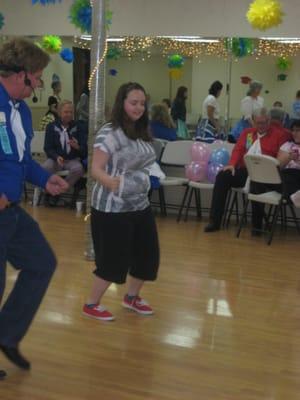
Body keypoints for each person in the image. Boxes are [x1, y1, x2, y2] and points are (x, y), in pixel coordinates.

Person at [0, 38, 68, 378]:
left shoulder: (22, 111)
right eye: (38, 76)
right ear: (21, 74)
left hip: (11, 211)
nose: (40, 83)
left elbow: (22, 161)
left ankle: (6, 333)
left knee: (42, 263)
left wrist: (45, 179)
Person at [83, 82, 160, 321]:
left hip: (139, 204)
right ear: (122, 104)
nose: (138, 108)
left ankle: (132, 298)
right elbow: (95, 168)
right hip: (111, 208)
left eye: (142, 103)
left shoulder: (142, 130)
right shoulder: (109, 132)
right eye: (133, 103)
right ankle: (91, 303)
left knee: (148, 256)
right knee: (113, 260)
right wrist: (109, 180)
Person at [204, 108, 291, 233]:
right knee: (223, 176)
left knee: (257, 182)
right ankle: (214, 221)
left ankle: (257, 226)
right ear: (254, 121)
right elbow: (238, 150)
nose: (261, 126)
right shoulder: (248, 133)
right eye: (258, 123)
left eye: (264, 123)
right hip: (246, 170)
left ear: (269, 120)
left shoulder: (280, 135)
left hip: (267, 175)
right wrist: (232, 164)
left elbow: (284, 154)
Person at [43, 100, 87, 196]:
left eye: (71, 112)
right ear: (59, 113)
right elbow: (47, 148)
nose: (69, 115)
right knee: (46, 167)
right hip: (56, 159)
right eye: (66, 112)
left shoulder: (79, 127)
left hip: (72, 159)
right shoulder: (51, 127)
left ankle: (60, 190)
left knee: (78, 169)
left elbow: (84, 150)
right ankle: (50, 189)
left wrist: (77, 147)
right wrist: (56, 157)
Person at [277, 120, 300, 198]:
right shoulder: (287, 145)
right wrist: (289, 158)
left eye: (297, 130)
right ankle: (294, 196)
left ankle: (291, 196)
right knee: (285, 175)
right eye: (293, 130)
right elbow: (278, 166)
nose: (294, 133)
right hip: (286, 176)